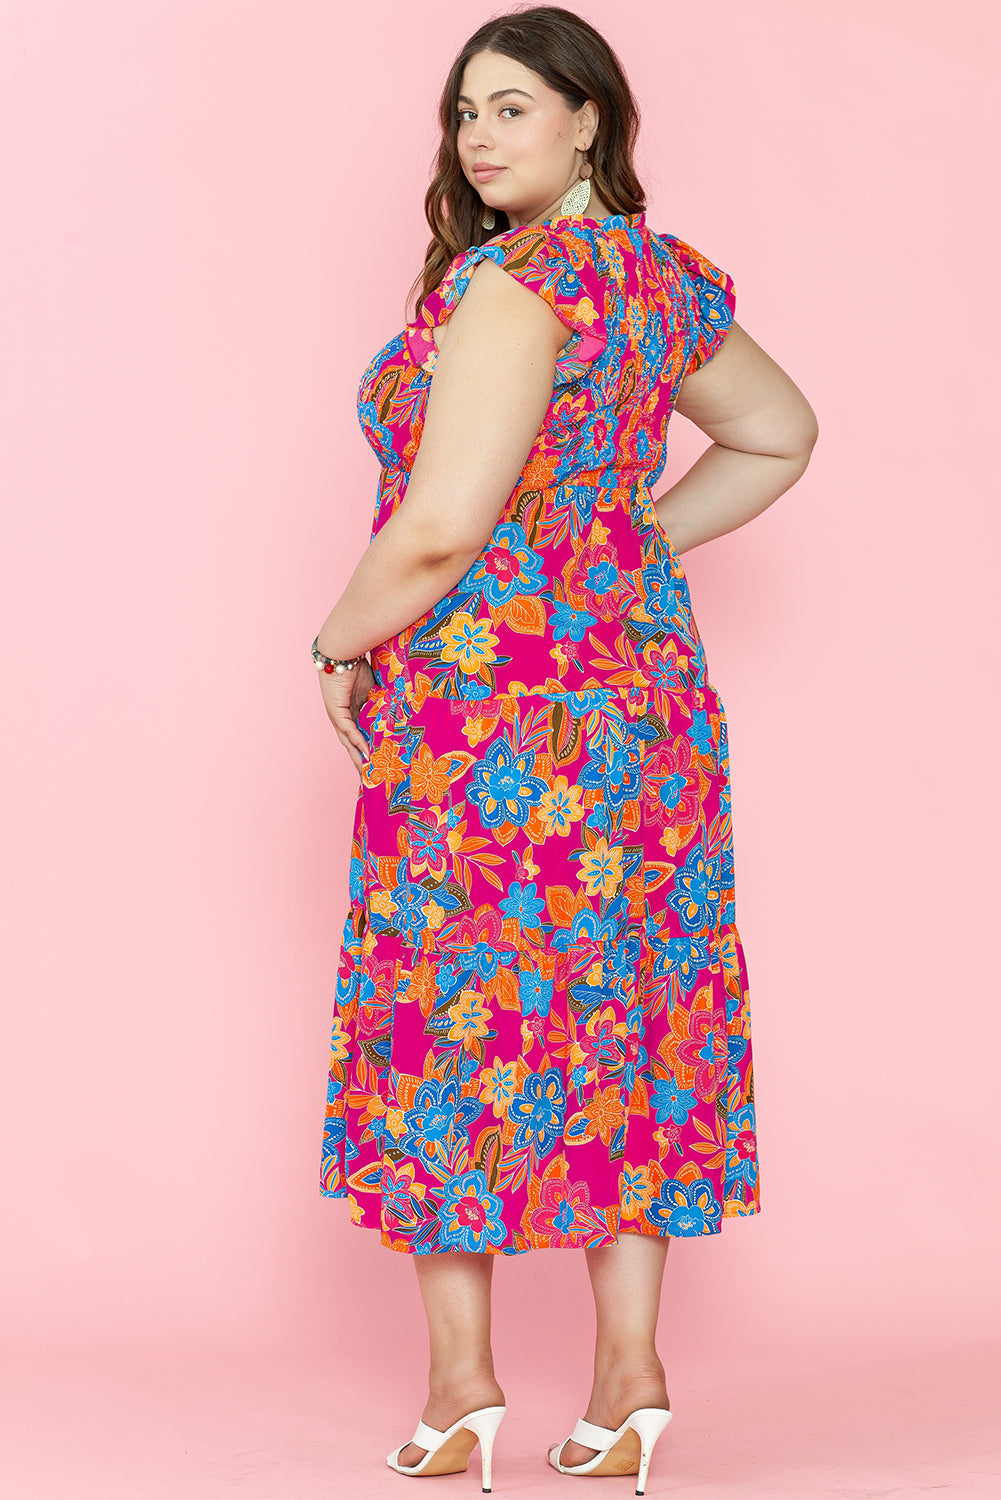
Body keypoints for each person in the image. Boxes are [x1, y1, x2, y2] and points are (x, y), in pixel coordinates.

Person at [313, 5, 817, 1491]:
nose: (477, 136)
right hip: (640, 704)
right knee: (628, 1004)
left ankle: (462, 1386)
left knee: (449, 1009)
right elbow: (777, 432)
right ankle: (628, 1381)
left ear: (590, 119)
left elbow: (442, 528)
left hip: (491, 718)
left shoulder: (516, 286)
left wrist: (336, 639)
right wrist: (621, 545)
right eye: (464, 112)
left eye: (512, 107)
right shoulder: (659, 280)